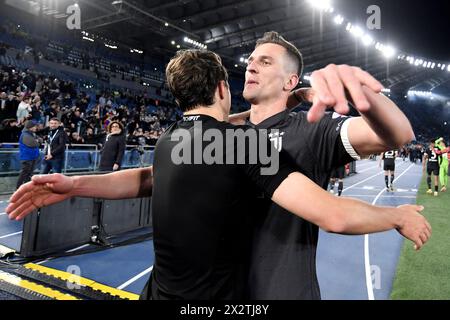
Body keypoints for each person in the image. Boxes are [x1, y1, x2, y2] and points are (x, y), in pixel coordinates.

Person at [6, 49, 432, 300]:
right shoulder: (241, 142)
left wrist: (75, 183)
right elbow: (333, 215)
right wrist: (395, 217)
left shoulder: (172, 138)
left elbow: (145, 179)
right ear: (224, 90)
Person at [230, 31, 417, 300]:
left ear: (291, 80)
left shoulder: (311, 129)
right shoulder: (224, 136)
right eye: (251, 60)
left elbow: (399, 134)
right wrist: (293, 98)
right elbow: (193, 131)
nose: (251, 65)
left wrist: (354, 91)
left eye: (266, 62)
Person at [16, 120, 40, 189]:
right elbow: (34, 144)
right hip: (27, 158)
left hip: (32, 157)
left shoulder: (31, 134)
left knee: (29, 174)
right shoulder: (25, 135)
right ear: (30, 127)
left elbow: (39, 140)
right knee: (24, 173)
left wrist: (38, 140)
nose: (36, 128)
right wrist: (38, 141)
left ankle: (26, 189)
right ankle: (18, 189)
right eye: (35, 126)